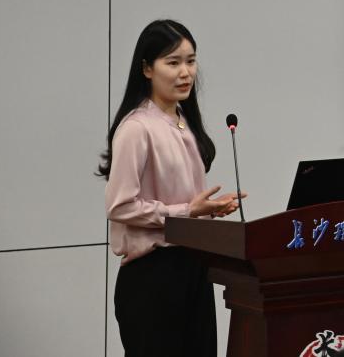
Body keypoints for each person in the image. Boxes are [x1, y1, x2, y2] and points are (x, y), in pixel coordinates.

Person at [98, 19, 245, 357]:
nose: (185, 72)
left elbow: (185, 203)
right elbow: (119, 206)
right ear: (147, 69)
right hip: (153, 276)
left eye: (191, 61)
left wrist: (208, 210)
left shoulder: (184, 121)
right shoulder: (137, 127)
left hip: (194, 267)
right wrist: (188, 211)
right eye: (173, 62)